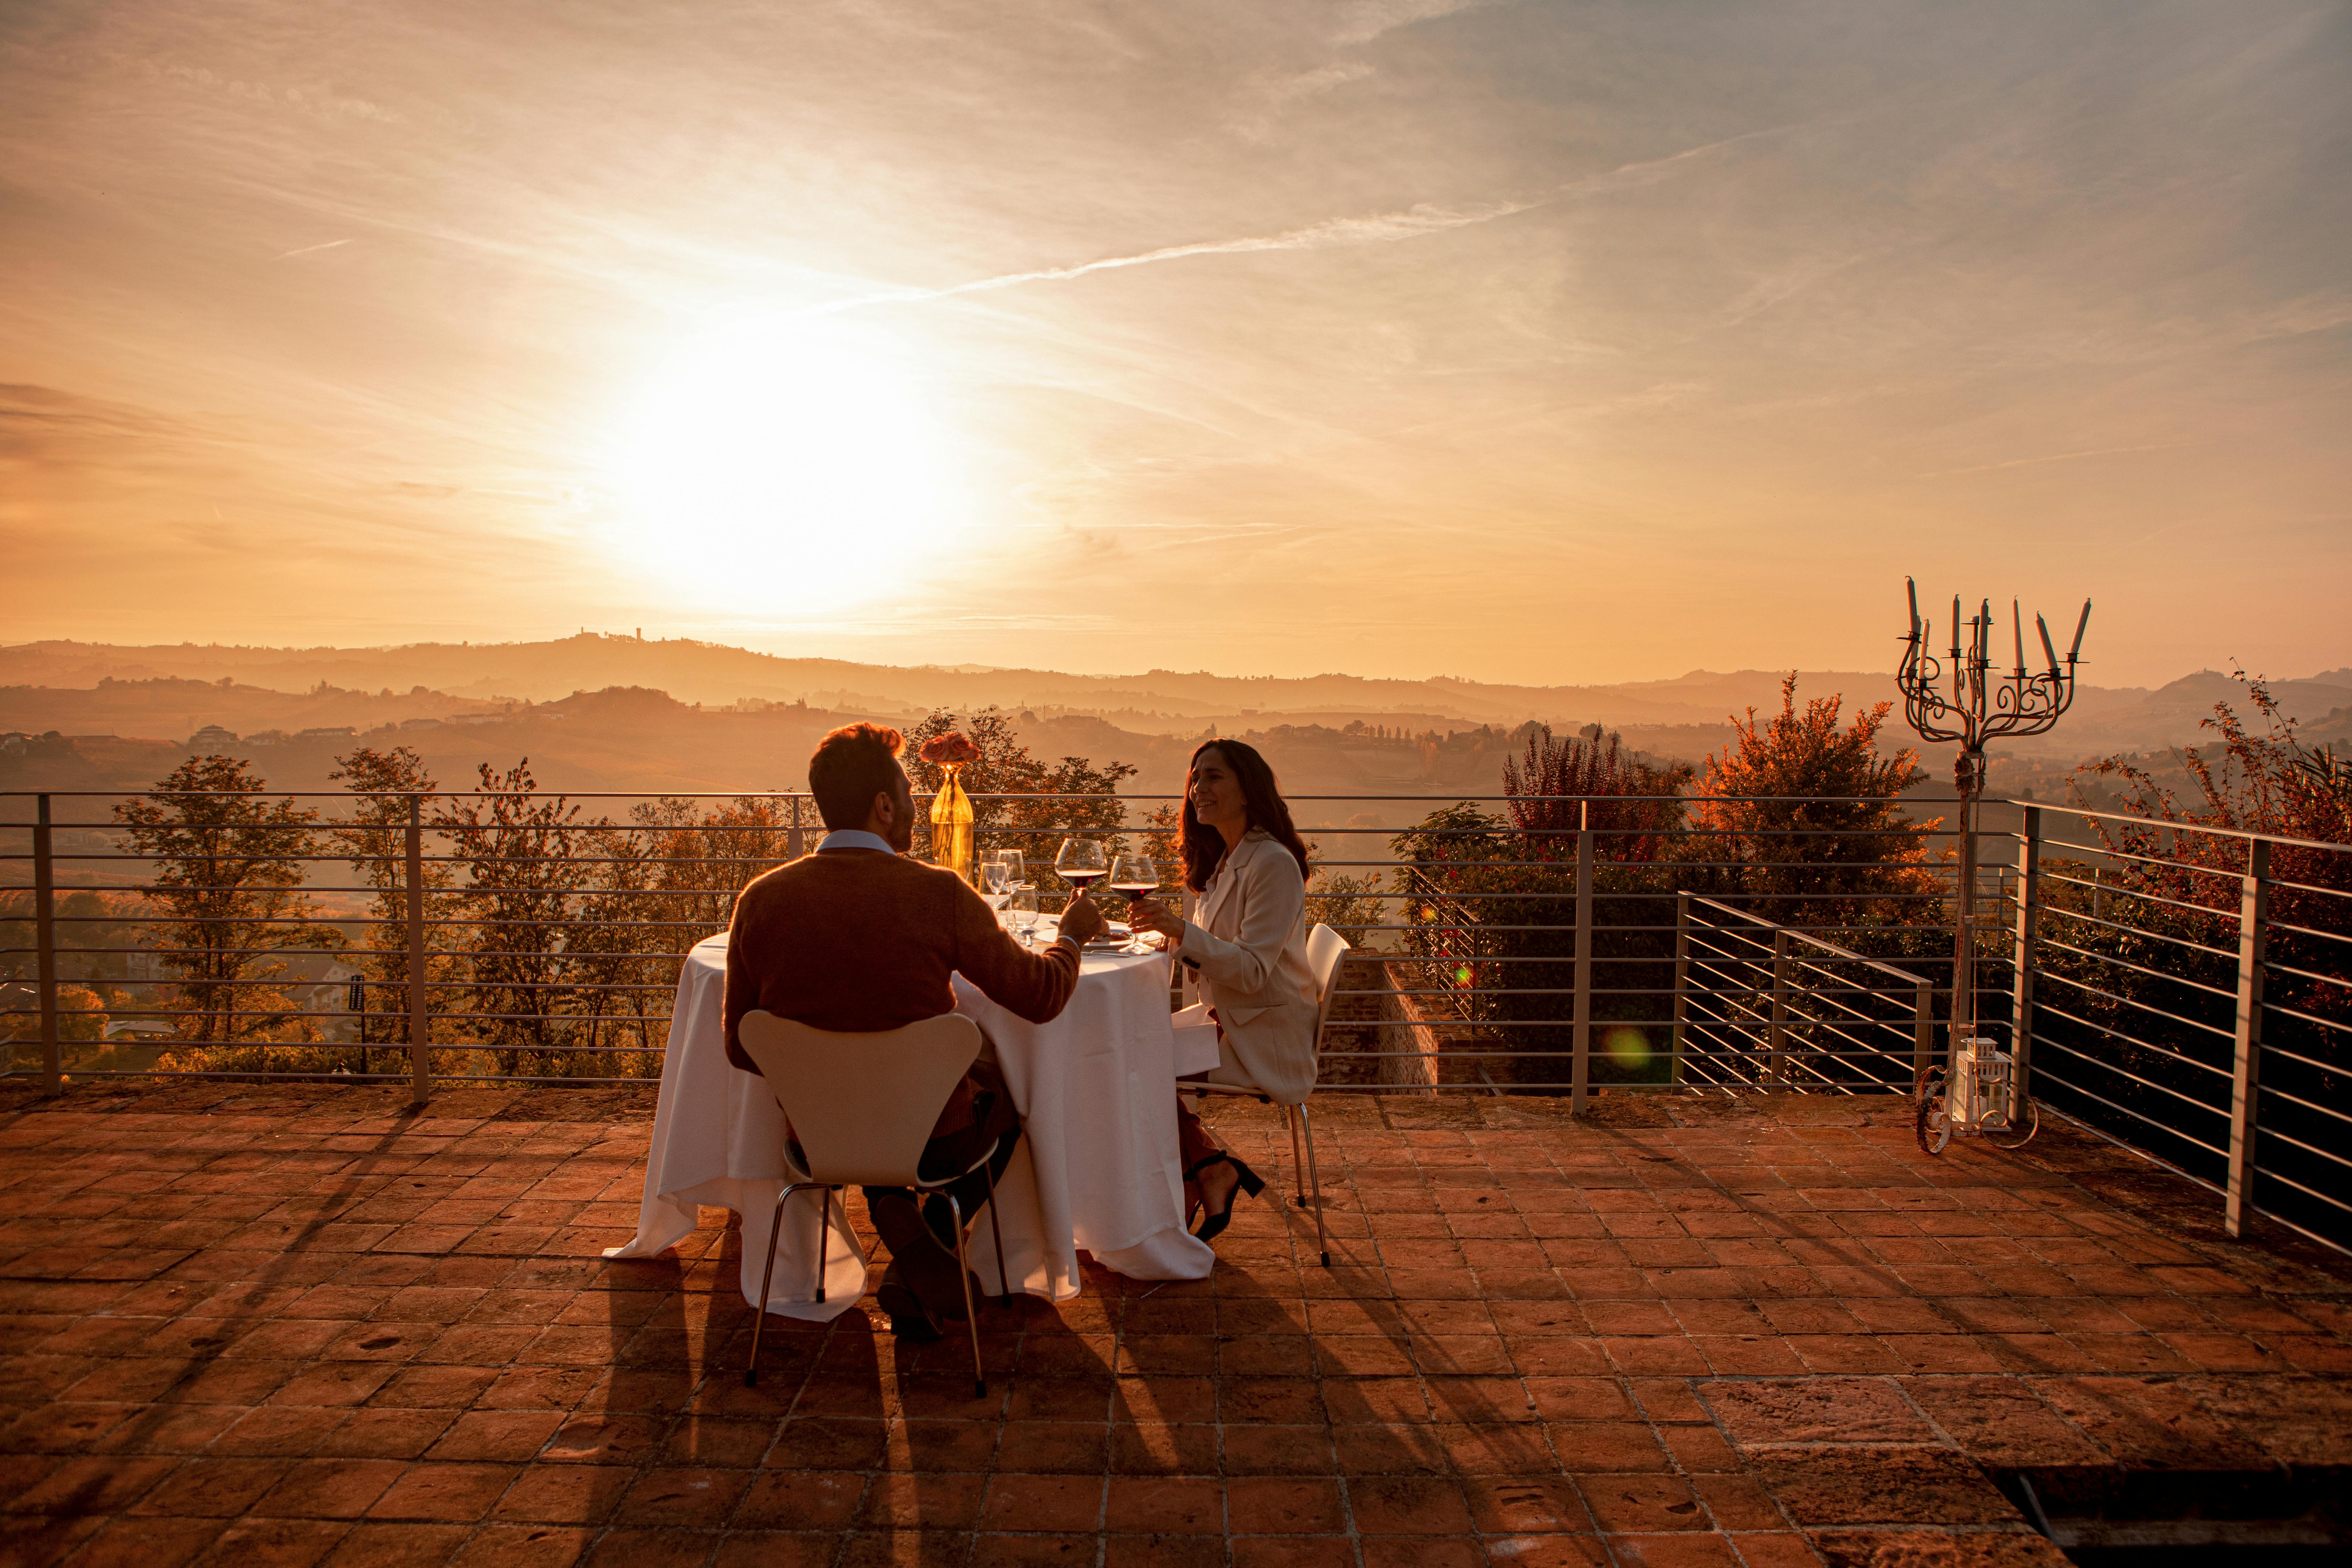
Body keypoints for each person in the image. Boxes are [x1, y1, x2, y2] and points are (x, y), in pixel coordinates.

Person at [723, 722, 1107, 1339]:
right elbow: (1040, 998)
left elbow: (740, 1048)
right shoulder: (939, 895)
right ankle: (920, 1226)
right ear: (883, 806)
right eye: (907, 789)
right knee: (1008, 1092)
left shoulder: (762, 900)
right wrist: (1071, 937)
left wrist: (829, 1074)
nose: (913, 802)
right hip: (936, 1142)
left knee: (951, 1081)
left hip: (817, 1140)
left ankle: (896, 1217)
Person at [1125, 738, 1318, 1242]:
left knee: (1129, 1065)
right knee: (1120, 1053)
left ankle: (1199, 1174)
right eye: (1195, 778)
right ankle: (1208, 1166)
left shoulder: (1272, 865)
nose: (1198, 789)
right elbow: (1208, 950)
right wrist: (1161, 935)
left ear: (1248, 790)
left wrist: (1181, 932)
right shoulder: (1228, 857)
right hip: (1223, 1020)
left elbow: (1253, 970)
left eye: (1214, 777)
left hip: (1261, 1036)